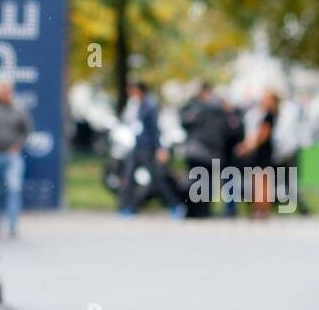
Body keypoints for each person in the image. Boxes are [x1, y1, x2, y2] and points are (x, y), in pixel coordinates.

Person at [119, 80, 181, 216]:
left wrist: (160, 148)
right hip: (138, 146)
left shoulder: (151, 105)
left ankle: (175, 205)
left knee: (157, 178)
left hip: (149, 148)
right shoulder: (138, 104)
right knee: (128, 177)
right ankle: (128, 208)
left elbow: (156, 129)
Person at [179, 82, 229, 219]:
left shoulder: (195, 107)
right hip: (214, 150)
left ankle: (194, 210)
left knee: (195, 180)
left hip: (197, 150)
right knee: (208, 181)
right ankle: (204, 210)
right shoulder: (220, 108)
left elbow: (185, 123)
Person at [0, 80, 33, 236]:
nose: (4, 94)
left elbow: (27, 130)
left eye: (7, 91)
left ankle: (13, 225)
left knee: (13, 189)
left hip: (11, 155)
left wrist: (18, 145)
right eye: (1, 91)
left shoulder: (19, 111)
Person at [235, 90, 280, 218]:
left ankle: (260, 207)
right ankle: (261, 208)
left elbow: (263, 135)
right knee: (261, 179)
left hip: (263, 152)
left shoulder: (269, 116)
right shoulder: (269, 114)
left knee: (260, 180)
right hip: (264, 151)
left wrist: (248, 146)